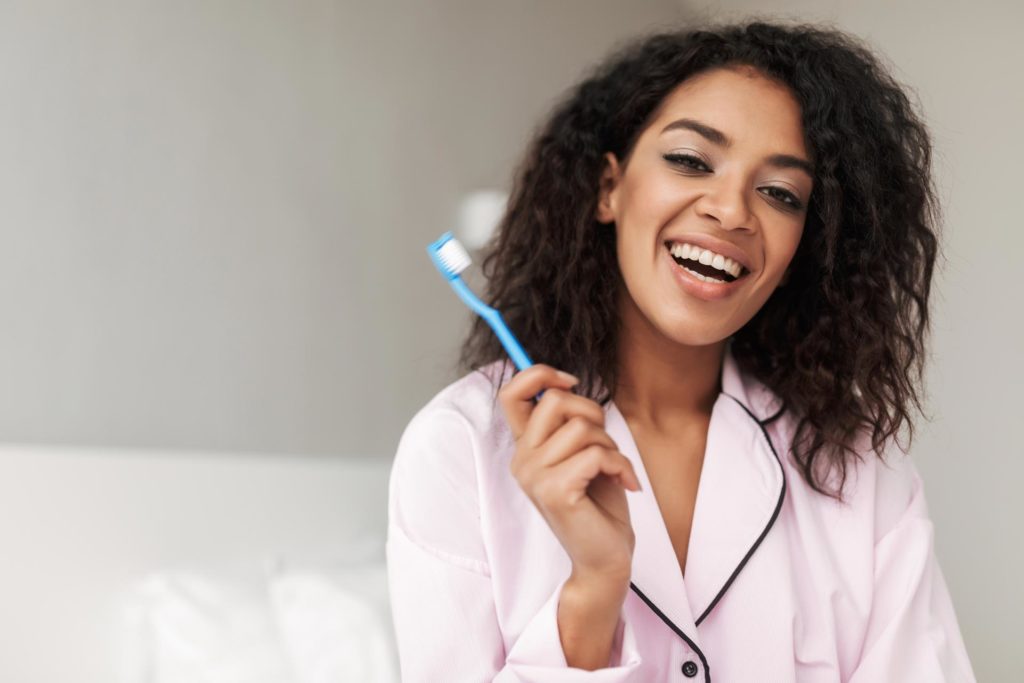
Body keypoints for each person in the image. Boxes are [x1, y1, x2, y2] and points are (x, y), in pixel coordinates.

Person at [385, 19, 976, 682]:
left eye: (780, 193)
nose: (731, 211)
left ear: (802, 246)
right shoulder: (461, 448)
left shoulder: (860, 469)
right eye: (691, 161)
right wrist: (594, 589)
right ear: (609, 188)